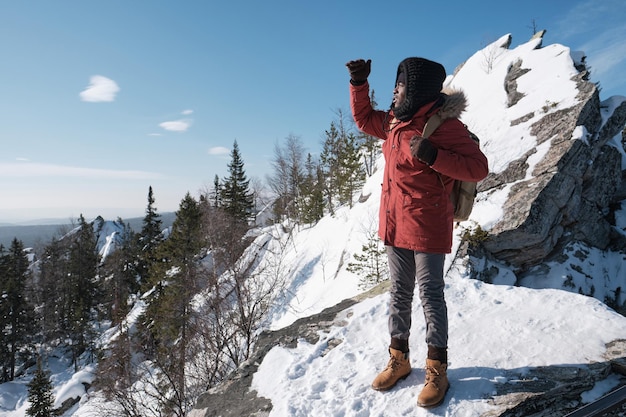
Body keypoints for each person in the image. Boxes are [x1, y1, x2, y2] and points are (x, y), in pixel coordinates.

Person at [345, 57, 488, 408]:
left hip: (427, 225)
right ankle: (399, 359)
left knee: (430, 295)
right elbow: (364, 119)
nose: (395, 90)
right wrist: (359, 84)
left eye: (401, 83)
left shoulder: (443, 126)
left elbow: (478, 167)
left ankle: (437, 369)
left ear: (418, 88)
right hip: (395, 225)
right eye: (395, 83)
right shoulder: (395, 121)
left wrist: (434, 155)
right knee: (398, 293)